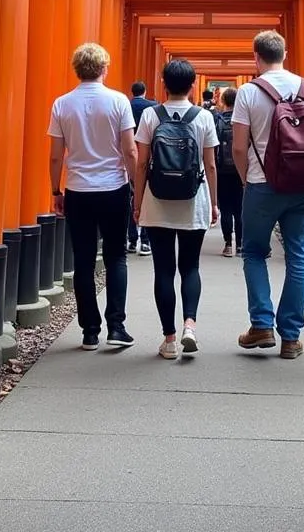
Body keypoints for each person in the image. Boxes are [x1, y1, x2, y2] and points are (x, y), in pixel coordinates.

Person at [231, 30, 304, 360]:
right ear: (285, 53)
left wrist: (248, 180)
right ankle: (291, 337)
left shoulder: (248, 92)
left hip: (261, 185)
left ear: (256, 57)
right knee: (299, 257)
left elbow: (238, 146)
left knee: (255, 252)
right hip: (301, 188)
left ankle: (261, 325)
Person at [48, 43, 137, 351]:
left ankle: (89, 330)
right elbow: (129, 149)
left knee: (83, 260)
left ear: (77, 69)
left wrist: (56, 190)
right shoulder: (118, 102)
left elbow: (56, 156)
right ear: (104, 69)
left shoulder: (62, 104)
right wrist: (135, 185)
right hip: (113, 187)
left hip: (78, 189)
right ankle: (116, 325)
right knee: (116, 257)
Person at [133, 58, 219, 360]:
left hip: (157, 201)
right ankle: (190, 325)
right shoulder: (203, 118)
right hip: (193, 199)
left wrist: (138, 200)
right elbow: (209, 164)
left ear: (163, 83)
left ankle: (168, 340)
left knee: (164, 270)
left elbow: (142, 162)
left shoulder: (150, 116)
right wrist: (214, 204)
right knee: (190, 267)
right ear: (193, 84)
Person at [126, 81, 156, 256]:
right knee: (145, 201)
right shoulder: (152, 107)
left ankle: (131, 240)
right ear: (144, 92)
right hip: (147, 157)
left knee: (132, 200)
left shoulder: (126, 106)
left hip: (129, 159)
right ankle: (145, 241)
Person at [214, 87, 244, 258]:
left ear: (223, 101)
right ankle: (240, 245)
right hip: (240, 170)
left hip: (222, 170)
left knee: (225, 208)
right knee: (239, 208)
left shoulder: (218, 121)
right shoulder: (241, 120)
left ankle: (228, 244)